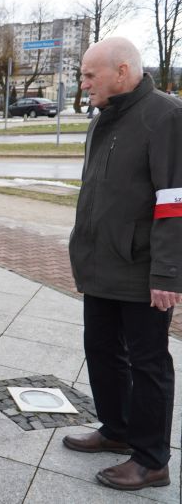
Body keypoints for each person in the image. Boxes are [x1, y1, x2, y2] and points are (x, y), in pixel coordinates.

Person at [64, 37, 180, 491]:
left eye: (91, 75)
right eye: (83, 74)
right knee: (101, 349)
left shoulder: (165, 116)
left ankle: (152, 460)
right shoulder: (103, 119)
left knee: (149, 364)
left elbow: (175, 200)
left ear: (123, 71)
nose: (84, 82)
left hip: (142, 268)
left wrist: (168, 272)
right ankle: (117, 429)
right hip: (101, 262)